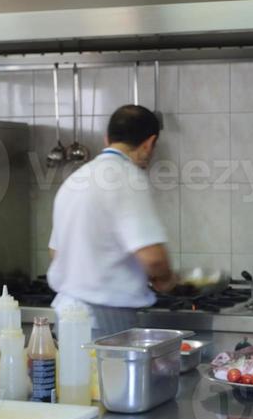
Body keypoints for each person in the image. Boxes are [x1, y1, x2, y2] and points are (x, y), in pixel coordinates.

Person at [47, 104, 177, 336]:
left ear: (107, 139)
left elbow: (55, 252)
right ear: (149, 143)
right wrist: (167, 280)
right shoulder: (127, 178)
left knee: (73, 374)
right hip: (105, 317)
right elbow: (153, 258)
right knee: (109, 374)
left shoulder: (75, 179)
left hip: (66, 314)